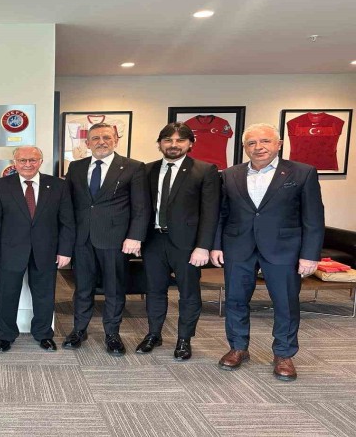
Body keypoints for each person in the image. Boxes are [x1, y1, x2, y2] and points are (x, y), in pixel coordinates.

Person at [210, 123, 324, 381]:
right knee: (235, 299)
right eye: (251, 143)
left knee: (285, 302)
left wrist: (310, 254)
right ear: (244, 147)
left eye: (265, 141)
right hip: (238, 246)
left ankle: (284, 353)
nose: (258, 147)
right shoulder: (229, 174)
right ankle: (238, 347)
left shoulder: (302, 172)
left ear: (278, 144)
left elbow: (313, 217)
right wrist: (216, 245)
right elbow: (221, 213)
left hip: (284, 248)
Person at [63, 123, 148, 355]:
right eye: (96, 138)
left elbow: (141, 206)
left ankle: (112, 334)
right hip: (82, 239)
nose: (101, 142)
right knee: (83, 288)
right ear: (87, 143)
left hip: (115, 239)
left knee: (114, 289)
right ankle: (79, 329)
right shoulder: (76, 167)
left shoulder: (133, 167)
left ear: (116, 140)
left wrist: (135, 236)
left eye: (107, 138)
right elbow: (68, 204)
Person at [137, 122, 220, 360]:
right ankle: (154, 334)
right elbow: (141, 208)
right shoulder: (147, 170)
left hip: (188, 245)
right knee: (154, 290)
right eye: (168, 140)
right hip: (153, 241)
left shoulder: (205, 170)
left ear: (190, 143)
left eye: (180, 140)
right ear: (159, 144)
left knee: (188, 293)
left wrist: (203, 246)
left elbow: (210, 212)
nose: (173, 145)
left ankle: (184, 339)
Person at [0, 146, 75, 352]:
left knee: (44, 295)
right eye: (22, 160)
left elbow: (67, 221)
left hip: (46, 250)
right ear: (14, 162)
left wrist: (65, 250)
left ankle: (43, 334)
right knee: (7, 295)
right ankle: (5, 336)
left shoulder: (58, 185)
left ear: (41, 161)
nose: (27, 164)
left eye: (33, 160)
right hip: (10, 251)